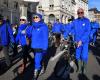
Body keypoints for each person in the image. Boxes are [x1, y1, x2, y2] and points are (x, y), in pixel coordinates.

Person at [63, 8, 91, 74]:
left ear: (83, 13)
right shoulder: (75, 21)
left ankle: (84, 68)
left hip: (84, 42)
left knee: (84, 56)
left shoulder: (87, 21)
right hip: (77, 42)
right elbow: (68, 27)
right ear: (77, 13)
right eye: (79, 13)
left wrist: (82, 40)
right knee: (77, 56)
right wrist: (64, 36)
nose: (80, 14)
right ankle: (79, 67)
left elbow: (88, 31)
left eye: (81, 12)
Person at [26, 13, 48, 80]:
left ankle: (35, 74)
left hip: (40, 46)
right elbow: (29, 35)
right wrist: (28, 28)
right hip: (34, 46)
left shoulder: (43, 27)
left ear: (40, 18)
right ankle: (43, 66)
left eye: (37, 17)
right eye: (34, 17)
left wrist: (45, 48)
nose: (35, 18)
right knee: (38, 58)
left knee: (37, 60)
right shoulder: (32, 26)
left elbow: (45, 38)